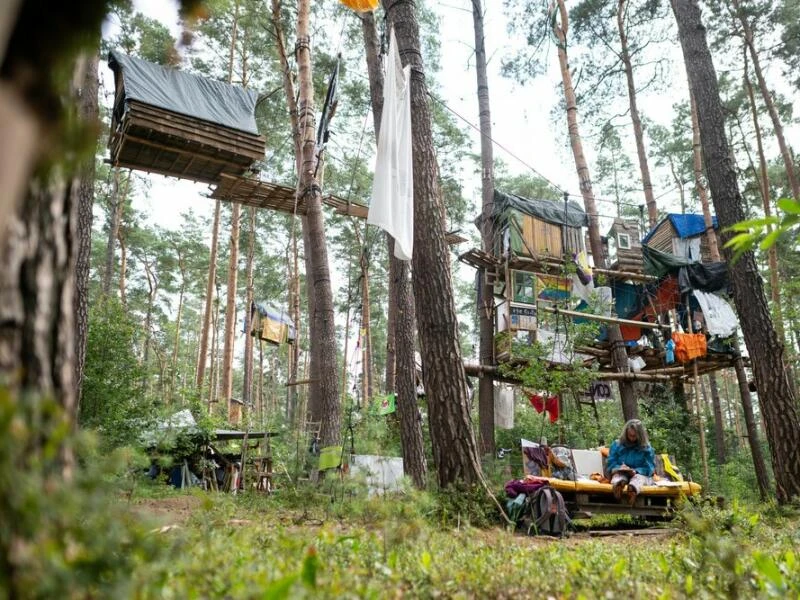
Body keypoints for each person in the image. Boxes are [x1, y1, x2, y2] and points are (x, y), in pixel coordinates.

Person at [606, 418, 655, 505]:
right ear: (626, 433)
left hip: (639, 475)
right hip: (621, 472)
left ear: (640, 435)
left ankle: (632, 489)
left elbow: (649, 468)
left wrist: (636, 471)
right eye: (630, 435)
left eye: (634, 436)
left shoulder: (647, 448)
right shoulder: (617, 445)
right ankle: (618, 485)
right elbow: (611, 463)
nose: (632, 438)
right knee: (618, 476)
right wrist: (619, 468)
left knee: (638, 479)